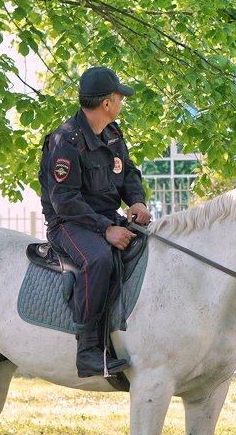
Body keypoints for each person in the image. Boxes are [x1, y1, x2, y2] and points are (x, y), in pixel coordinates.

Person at [39, 67, 152, 378]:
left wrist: (137, 202)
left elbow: (128, 173)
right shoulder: (66, 141)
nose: (121, 103)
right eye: (119, 97)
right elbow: (64, 200)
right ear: (106, 103)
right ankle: (88, 351)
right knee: (99, 259)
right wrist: (106, 229)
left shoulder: (113, 134)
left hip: (104, 218)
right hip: (67, 223)